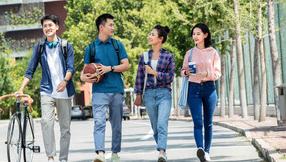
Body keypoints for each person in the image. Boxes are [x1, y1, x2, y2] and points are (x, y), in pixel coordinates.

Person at [16, 15, 75, 162]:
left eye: (50, 25)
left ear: (57, 27)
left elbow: (71, 67)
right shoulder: (40, 47)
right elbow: (30, 70)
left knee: (65, 128)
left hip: (64, 92)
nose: (47, 28)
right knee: (46, 123)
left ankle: (63, 159)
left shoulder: (66, 46)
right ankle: (50, 157)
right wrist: (21, 88)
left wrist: (65, 81)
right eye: (45, 26)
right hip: (47, 90)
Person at [80, 13, 130, 162]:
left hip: (116, 89)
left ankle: (115, 153)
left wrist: (110, 68)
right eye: (111, 25)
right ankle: (100, 154)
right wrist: (85, 77)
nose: (113, 27)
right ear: (101, 27)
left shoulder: (117, 45)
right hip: (99, 91)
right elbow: (84, 73)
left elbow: (126, 66)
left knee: (116, 125)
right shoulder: (91, 48)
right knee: (99, 122)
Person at [134, 25, 175, 162]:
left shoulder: (168, 56)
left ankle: (161, 152)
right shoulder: (144, 56)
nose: (149, 37)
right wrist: (138, 95)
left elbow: (170, 77)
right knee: (155, 125)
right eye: (150, 34)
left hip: (164, 93)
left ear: (160, 38)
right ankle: (162, 149)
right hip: (149, 94)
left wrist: (155, 73)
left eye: (153, 34)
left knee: (162, 123)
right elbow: (139, 77)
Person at [181, 23, 221, 162]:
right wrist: (187, 72)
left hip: (209, 88)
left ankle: (207, 151)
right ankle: (200, 149)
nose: (195, 36)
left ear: (205, 35)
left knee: (208, 123)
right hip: (194, 89)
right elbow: (182, 71)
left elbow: (217, 73)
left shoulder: (213, 52)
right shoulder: (190, 53)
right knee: (197, 121)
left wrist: (206, 73)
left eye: (198, 33)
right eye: (193, 34)